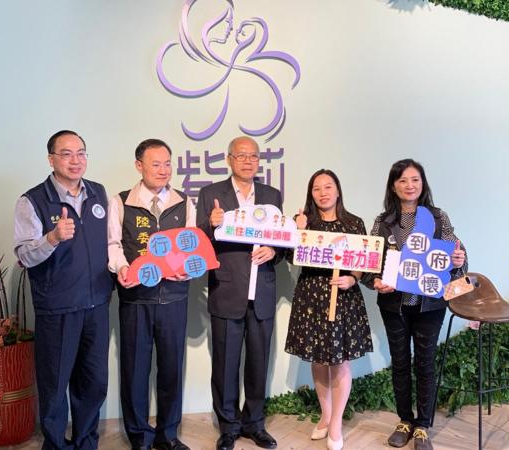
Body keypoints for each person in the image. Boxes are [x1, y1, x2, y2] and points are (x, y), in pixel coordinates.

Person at [13, 130, 114, 450]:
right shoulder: (32, 201)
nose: (75, 160)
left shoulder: (98, 192)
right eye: (66, 154)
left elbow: (110, 243)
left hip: (96, 304)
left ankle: (86, 443)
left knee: (94, 382)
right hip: (57, 307)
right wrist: (52, 238)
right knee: (55, 387)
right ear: (51, 159)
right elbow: (24, 255)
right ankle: (56, 445)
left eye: (81, 153)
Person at [365, 159, 467, 450]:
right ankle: (404, 420)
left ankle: (422, 426)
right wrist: (375, 281)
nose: (409, 186)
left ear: (423, 184)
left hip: (429, 304)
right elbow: (371, 263)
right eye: (402, 180)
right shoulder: (383, 222)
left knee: (425, 363)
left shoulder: (438, 217)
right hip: (393, 304)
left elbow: (457, 258)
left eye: (415, 180)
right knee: (399, 362)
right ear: (393, 186)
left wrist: (458, 260)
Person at [107, 139, 196, 450]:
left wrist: (187, 269)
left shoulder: (184, 202)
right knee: (135, 370)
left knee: (171, 368)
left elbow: (191, 245)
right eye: (156, 164)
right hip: (136, 300)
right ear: (139, 166)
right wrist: (121, 267)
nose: (163, 170)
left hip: (174, 298)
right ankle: (140, 437)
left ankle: (168, 435)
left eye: (167, 163)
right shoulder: (121, 202)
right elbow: (113, 244)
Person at [196, 136, 281, 450]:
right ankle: (228, 426)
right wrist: (210, 224)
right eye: (241, 155)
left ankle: (254, 424)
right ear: (229, 159)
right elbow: (199, 243)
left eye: (253, 156)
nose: (248, 161)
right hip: (227, 290)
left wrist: (274, 250)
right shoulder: (210, 194)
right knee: (225, 365)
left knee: (258, 363)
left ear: (259, 161)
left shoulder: (272, 195)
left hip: (262, 292)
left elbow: (282, 239)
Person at [284, 169, 373, 450]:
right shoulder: (304, 221)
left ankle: (336, 423)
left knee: (340, 360)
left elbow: (364, 260)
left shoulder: (353, 223)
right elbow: (291, 256)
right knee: (318, 359)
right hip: (311, 297)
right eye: (317, 188)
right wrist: (298, 231)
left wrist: (352, 279)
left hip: (343, 298)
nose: (323, 193)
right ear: (311, 194)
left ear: (337, 190)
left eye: (328, 186)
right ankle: (325, 415)